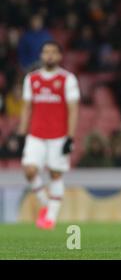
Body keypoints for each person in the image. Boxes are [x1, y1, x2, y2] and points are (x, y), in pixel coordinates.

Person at [16, 41, 80, 230]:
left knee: (55, 174)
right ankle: (46, 204)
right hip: (35, 134)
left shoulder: (68, 79)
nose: (49, 55)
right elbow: (26, 107)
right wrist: (21, 133)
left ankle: (50, 218)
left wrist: (70, 137)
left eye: (53, 52)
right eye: (46, 52)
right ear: (41, 56)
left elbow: (73, 110)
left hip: (58, 135)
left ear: (60, 56)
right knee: (29, 170)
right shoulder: (31, 79)